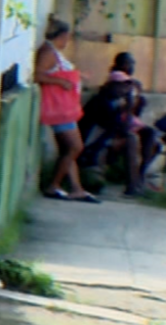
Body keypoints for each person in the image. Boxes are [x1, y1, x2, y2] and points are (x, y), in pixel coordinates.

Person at [80, 51, 159, 195]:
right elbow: (116, 125)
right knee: (130, 139)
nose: (125, 89)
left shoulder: (124, 95)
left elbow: (131, 120)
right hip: (99, 141)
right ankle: (132, 185)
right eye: (122, 86)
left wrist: (135, 104)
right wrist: (128, 105)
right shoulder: (104, 99)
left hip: (116, 133)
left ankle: (139, 177)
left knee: (151, 134)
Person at [37, 17, 94, 202]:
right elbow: (38, 74)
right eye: (67, 37)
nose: (67, 41)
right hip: (59, 109)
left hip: (65, 109)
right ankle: (54, 185)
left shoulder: (53, 52)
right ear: (61, 35)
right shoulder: (47, 52)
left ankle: (76, 188)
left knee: (68, 149)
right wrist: (61, 82)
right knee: (75, 147)